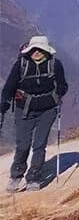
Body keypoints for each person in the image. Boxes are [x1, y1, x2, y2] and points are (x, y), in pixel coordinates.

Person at [2, 36, 68, 192]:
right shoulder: (20, 66)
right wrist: (3, 106)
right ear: (29, 50)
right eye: (33, 49)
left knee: (39, 145)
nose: (36, 52)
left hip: (47, 110)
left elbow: (62, 85)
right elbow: (8, 88)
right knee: (23, 145)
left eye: (40, 49)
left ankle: (34, 177)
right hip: (24, 110)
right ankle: (16, 176)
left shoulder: (55, 65)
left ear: (46, 51)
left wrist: (58, 96)